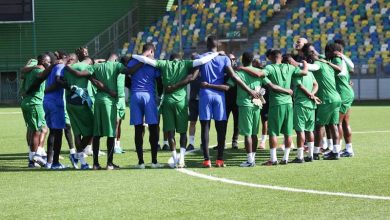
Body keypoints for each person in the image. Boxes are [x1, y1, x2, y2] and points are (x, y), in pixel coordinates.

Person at [132, 50, 219, 168]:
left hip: (167, 102)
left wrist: (134, 55)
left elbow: (146, 60)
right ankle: (182, 159)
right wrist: (215, 53)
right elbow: (202, 61)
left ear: (170, 59)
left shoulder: (164, 64)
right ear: (180, 59)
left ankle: (174, 159)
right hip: (181, 102)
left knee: (170, 132)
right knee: (183, 132)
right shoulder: (185, 64)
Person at [196, 36, 260, 168]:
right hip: (219, 96)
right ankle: (219, 160)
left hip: (205, 95)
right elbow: (235, 77)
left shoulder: (200, 58)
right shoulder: (224, 59)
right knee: (221, 128)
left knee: (205, 127)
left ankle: (207, 160)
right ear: (218, 45)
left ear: (206, 45)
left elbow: (193, 75)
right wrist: (250, 91)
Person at [240, 49, 308, 165]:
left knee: (273, 132)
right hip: (289, 103)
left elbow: (259, 74)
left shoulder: (270, 68)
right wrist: (305, 64)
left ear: (271, 57)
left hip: (276, 103)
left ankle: (273, 159)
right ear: (280, 56)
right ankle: (285, 158)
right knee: (287, 132)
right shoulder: (290, 67)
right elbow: (304, 72)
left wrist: (242, 68)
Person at [302, 43, 342, 160]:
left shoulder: (318, 64)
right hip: (336, 98)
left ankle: (315, 153)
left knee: (319, 126)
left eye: (314, 52)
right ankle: (336, 152)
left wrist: (295, 64)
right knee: (333, 125)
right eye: (312, 52)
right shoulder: (328, 64)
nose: (314, 54)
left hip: (327, 99)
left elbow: (310, 68)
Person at [127, 43, 163, 169]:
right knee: (153, 128)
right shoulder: (153, 63)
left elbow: (128, 73)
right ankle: (154, 161)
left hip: (135, 96)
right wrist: (160, 95)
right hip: (149, 96)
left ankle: (141, 162)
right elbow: (159, 81)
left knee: (138, 129)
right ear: (152, 52)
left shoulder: (133, 61)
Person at [283, 54, 321, 163]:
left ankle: (300, 157)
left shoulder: (296, 73)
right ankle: (310, 155)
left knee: (300, 130)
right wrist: (313, 95)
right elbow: (316, 84)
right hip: (311, 105)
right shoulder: (309, 72)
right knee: (309, 130)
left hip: (301, 104)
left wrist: (310, 95)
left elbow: (300, 86)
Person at [62, 54, 96, 169]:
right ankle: (78, 155)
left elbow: (61, 82)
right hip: (81, 103)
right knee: (92, 130)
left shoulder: (64, 69)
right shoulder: (82, 66)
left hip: (69, 103)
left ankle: (80, 158)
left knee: (77, 131)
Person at [20, 54, 52, 167]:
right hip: (35, 104)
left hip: (27, 102)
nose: (49, 63)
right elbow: (40, 77)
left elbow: (23, 73)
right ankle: (35, 158)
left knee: (36, 129)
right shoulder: (39, 70)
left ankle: (33, 157)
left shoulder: (31, 70)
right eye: (48, 61)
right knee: (39, 130)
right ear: (43, 61)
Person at [43, 51, 69, 169]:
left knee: (52, 132)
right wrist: (69, 86)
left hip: (47, 101)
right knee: (58, 132)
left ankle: (49, 161)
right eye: (68, 59)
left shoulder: (51, 68)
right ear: (63, 58)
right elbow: (58, 81)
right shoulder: (60, 66)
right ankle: (55, 163)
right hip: (55, 102)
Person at [333, 39, 355, 157]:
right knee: (345, 122)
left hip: (343, 94)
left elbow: (351, 67)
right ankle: (348, 149)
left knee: (337, 123)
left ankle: (338, 149)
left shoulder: (338, 60)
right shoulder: (344, 61)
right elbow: (351, 67)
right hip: (347, 92)